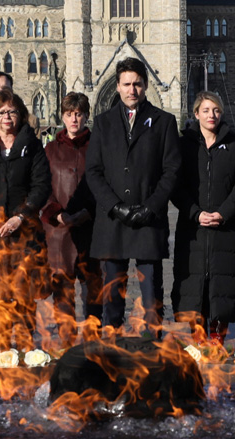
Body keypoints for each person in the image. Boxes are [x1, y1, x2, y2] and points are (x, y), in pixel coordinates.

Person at [85, 57, 181, 331]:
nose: (132, 90)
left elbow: (171, 171)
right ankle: (113, 340)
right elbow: (94, 171)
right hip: (113, 220)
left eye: (137, 84)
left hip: (148, 220)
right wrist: (115, 206)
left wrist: (150, 206)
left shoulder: (164, 122)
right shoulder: (103, 123)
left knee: (151, 293)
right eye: (126, 84)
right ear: (117, 86)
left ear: (146, 85)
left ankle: (153, 344)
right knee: (113, 292)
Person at [0, 88, 51, 349]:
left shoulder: (32, 144)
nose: (7, 117)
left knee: (23, 293)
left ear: (20, 115)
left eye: (12, 112)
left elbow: (41, 185)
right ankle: (1, 347)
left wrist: (20, 217)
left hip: (24, 232)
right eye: (1, 112)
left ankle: (27, 347)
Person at [172, 91, 235, 344]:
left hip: (225, 228)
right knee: (194, 286)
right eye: (206, 110)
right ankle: (197, 341)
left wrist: (223, 212)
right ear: (196, 114)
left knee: (222, 286)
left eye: (216, 110)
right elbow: (175, 185)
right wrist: (195, 213)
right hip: (192, 227)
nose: (211, 115)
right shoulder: (183, 145)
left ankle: (217, 341)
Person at [42, 92, 102, 343]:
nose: (74, 119)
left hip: (92, 229)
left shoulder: (99, 147)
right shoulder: (50, 150)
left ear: (86, 115)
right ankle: (66, 343)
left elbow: (106, 186)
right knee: (63, 292)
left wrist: (89, 211)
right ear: (62, 116)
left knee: (94, 291)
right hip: (59, 232)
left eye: (78, 113)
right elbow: (42, 188)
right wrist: (57, 213)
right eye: (69, 114)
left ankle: (93, 342)